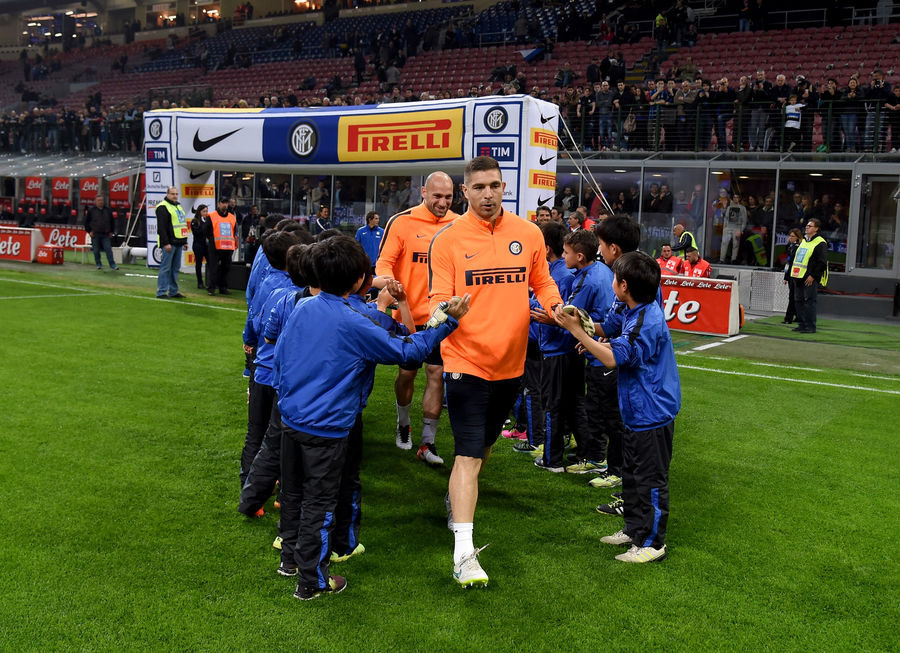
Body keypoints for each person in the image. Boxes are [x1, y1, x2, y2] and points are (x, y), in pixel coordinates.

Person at [273, 236, 469, 600]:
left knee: (294, 493)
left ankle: (289, 562)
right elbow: (407, 352)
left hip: (291, 420)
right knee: (320, 504)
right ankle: (312, 582)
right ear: (359, 279)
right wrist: (447, 322)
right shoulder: (352, 321)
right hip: (327, 428)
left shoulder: (303, 307)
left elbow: (280, 356)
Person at [428, 156, 563, 587]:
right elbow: (436, 300)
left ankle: (456, 498)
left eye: (495, 186)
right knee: (468, 453)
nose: (488, 194)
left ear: (504, 187)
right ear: (465, 192)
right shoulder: (448, 240)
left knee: (483, 448)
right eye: (479, 187)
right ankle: (464, 555)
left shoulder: (529, 233)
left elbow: (542, 282)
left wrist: (556, 307)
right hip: (464, 361)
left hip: (511, 365)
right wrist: (447, 309)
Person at [554, 251, 680, 563]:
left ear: (623, 285)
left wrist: (577, 331)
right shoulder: (635, 310)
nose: (611, 281)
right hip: (637, 411)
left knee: (650, 481)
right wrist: (599, 342)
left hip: (652, 413)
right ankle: (634, 530)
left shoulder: (646, 320)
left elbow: (613, 359)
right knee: (633, 476)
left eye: (614, 278)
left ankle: (652, 544)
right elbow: (620, 349)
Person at [374, 171, 458, 465]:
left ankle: (428, 442)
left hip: (441, 319)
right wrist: (392, 287)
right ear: (423, 192)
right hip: (407, 317)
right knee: (407, 375)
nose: (443, 202)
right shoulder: (402, 222)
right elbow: (384, 264)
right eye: (437, 196)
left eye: (448, 197)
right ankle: (403, 423)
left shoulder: (459, 224)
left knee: (436, 375)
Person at [790, 218, 828, 334]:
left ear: (816, 229)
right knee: (799, 301)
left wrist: (813, 276)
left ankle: (810, 326)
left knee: (809, 302)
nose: (807, 227)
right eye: (806, 225)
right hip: (798, 277)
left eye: (810, 226)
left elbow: (822, 262)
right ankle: (801, 324)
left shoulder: (820, 243)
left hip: (809, 278)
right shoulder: (804, 241)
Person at [155, 186, 188, 299]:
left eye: (176, 194)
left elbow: (182, 224)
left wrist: (184, 241)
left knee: (175, 268)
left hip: (178, 241)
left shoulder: (178, 206)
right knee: (166, 268)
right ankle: (161, 291)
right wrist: (166, 243)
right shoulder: (162, 207)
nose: (175, 196)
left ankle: (173, 291)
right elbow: (162, 228)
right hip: (169, 243)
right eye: (173, 194)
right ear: (167, 194)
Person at [205, 197, 236, 296]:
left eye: (226, 203)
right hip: (215, 246)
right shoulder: (212, 216)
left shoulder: (232, 217)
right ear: (219, 204)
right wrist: (212, 239)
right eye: (223, 203)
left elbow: (234, 231)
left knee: (226, 268)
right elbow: (206, 230)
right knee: (213, 268)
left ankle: (223, 288)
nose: (225, 205)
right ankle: (211, 288)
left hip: (228, 247)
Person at [85, 195, 117, 271]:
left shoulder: (108, 210)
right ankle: (98, 264)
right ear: (95, 202)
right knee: (96, 251)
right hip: (95, 234)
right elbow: (86, 222)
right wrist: (89, 231)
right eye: (99, 200)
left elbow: (112, 222)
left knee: (108, 249)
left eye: (102, 200)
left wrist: (111, 232)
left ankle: (112, 265)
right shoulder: (91, 211)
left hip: (106, 234)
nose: (100, 202)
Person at [782, 228, 802, 324]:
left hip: (796, 274)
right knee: (793, 296)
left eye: (793, 236)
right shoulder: (790, 247)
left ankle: (788, 318)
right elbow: (788, 262)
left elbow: (792, 261)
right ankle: (798, 316)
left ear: (797, 237)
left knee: (793, 297)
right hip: (790, 274)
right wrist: (786, 277)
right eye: (790, 236)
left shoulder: (798, 248)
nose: (790, 238)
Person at [720, 192, 747, 263]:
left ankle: (733, 259)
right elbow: (726, 218)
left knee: (735, 244)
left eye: (737, 197)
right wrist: (724, 228)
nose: (736, 199)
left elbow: (744, 220)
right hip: (728, 227)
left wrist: (741, 230)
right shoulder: (729, 207)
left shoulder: (742, 208)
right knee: (724, 243)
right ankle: (722, 259)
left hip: (737, 227)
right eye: (734, 197)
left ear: (739, 199)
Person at [190, 204, 209, 289]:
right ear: (199, 211)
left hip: (207, 245)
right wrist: (204, 226)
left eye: (206, 211)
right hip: (198, 245)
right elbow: (196, 233)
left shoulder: (207, 220)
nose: (205, 213)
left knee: (211, 263)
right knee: (198, 264)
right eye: (204, 211)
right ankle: (200, 282)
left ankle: (210, 282)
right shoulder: (195, 221)